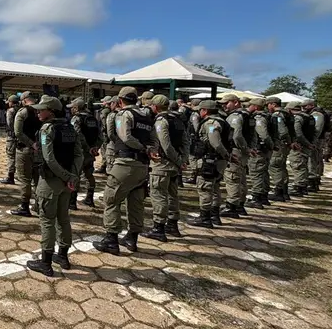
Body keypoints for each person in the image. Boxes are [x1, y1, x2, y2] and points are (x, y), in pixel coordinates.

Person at [26, 96, 83, 277]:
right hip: (67, 182)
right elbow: (79, 155)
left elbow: (49, 158)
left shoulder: (46, 129)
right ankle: (63, 257)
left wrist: (66, 176)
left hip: (51, 181)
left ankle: (45, 263)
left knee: (47, 220)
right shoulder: (70, 128)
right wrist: (72, 176)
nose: (37, 112)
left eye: (41, 109)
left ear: (50, 111)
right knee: (63, 218)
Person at [93, 87, 153, 255]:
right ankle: (132, 239)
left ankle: (111, 240)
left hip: (126, 163)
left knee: (111, 199)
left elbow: (124, 136)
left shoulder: (123, 115)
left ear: (120, 101)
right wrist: (148, 149)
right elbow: (153, 139)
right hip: (142, 165)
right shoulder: (146, 117)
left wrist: (141, 147)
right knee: (136, 203)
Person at [144, 95, 187, 241]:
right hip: (174, 164)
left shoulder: (161, 121)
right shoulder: (178, 120)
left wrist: (177, 160)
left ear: (155, 107)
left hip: (163, 163)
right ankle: (172, 224)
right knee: (172, 194)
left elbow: (166, 145)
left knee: (159, 195)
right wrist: (182, 160)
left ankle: (159, 228)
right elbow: (186, 141)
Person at [187, 100, 231, 228]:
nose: (199, 112)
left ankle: (205, 217)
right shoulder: (223, 120)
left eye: (200, 110)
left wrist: (225, 155)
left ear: (205, 110)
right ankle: (214, 215)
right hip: (218, 160)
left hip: (210, 160)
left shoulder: (211, 123)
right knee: (215, 187)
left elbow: (215, 142)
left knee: (205, 187)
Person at [220, 93, 253, 219]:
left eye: (226, 103)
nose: (224, 106)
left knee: (232, 178)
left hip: (236, 150)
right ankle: (240, 204)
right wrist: (250, 148)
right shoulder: (247, 115)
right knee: (241, 178)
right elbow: (252, 135)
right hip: (243, 151)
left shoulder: (236, 117)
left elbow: (236, 135)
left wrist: (244, 148)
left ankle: (232, 206)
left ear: (235, 102)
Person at [11, 91, 41, 217]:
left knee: (24, 179)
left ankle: (24, 206)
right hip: (39, 151)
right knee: (38, 179)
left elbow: (17, 132)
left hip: (25, 150)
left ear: (23, 100)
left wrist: (30, 143)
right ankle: (39, 206)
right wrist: (39, 144)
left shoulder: (22, 112)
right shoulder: (41, 111)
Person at [67, 98, 101, 209]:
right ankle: (89, 199)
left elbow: (77, 134)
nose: (71, 109)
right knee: (89, 175)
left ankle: (72, 202)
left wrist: (87, 148)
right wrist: (95, 148)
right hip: (91, 152)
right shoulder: (93, 119)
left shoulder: (76, 119)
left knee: (75, 175)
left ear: (76, 108)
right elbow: (100, 135)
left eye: (72, 107)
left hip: (80, 152)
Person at [245, 98, 273, 209]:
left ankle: (256, 198)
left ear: (256, 107)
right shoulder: (268, 116)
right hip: (265, 149)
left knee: (256, 173)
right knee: (263, 172)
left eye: (250, 105)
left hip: (260, 149)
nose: (249, 107)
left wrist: (270, 144)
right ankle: (263, 195)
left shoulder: (259, 118)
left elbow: (263, 134)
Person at [266, 97, 293, 202]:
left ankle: (279, 192)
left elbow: (282, 131)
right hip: (285, 144)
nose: (268, 107)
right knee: (282, 167)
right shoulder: (287, 114)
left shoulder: (277, 115)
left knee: (275, 166)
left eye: (268, 105)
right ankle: (284, 191)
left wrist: (279, 140)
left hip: (279, 144)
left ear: (273, 104)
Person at [286, 101, 312, 197]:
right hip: (306, 144)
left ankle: (299, 186)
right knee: (303, 165)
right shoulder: (308, 117)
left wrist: (302, 143)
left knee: (297, 165)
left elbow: (298, 133)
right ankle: (303, 186)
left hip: (300, 145)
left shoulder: (298, 118)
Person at [305, 100, 327, 191]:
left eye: (306, 106)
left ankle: (313, 181)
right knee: (315, 159)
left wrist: (312, 141)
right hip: (317, 140)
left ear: (311, 105)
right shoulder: (316, 113)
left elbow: (317, 129)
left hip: (316, 140)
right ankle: (315, 179)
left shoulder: (317, 114)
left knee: (312, 159)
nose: (304, 108)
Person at [0, 94, 19, 185]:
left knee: (11, 157)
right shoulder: (21, 110)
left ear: (11, 102)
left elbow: (10, 124)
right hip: (21, 137)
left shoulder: (10, 111)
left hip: (12, 137)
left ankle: (10, 177)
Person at [96, 96, 112, 174]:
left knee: (104, 150)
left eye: (104, 101)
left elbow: (104, 123)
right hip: (109, 133)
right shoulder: (111, 111)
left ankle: (104, 166)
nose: (102, 103)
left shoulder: (104, 111)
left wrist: (102, 131)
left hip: (104, 134)